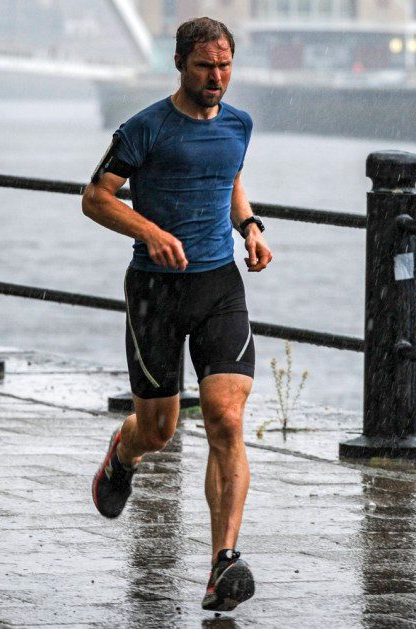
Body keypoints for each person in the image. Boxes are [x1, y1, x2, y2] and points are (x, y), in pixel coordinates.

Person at [81, 16, 272, 612]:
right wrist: (151, 231)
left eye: (225, 66)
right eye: (204, 67)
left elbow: (228, 177)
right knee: (159, 428)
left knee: (226, 419)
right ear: (180, 66)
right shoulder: (145, 128)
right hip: (155, 292)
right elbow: (95, 198)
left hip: (218, 284)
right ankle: (124, 453)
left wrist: (249, 225)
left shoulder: (239, 123)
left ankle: (223, 564)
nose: (216, 78)